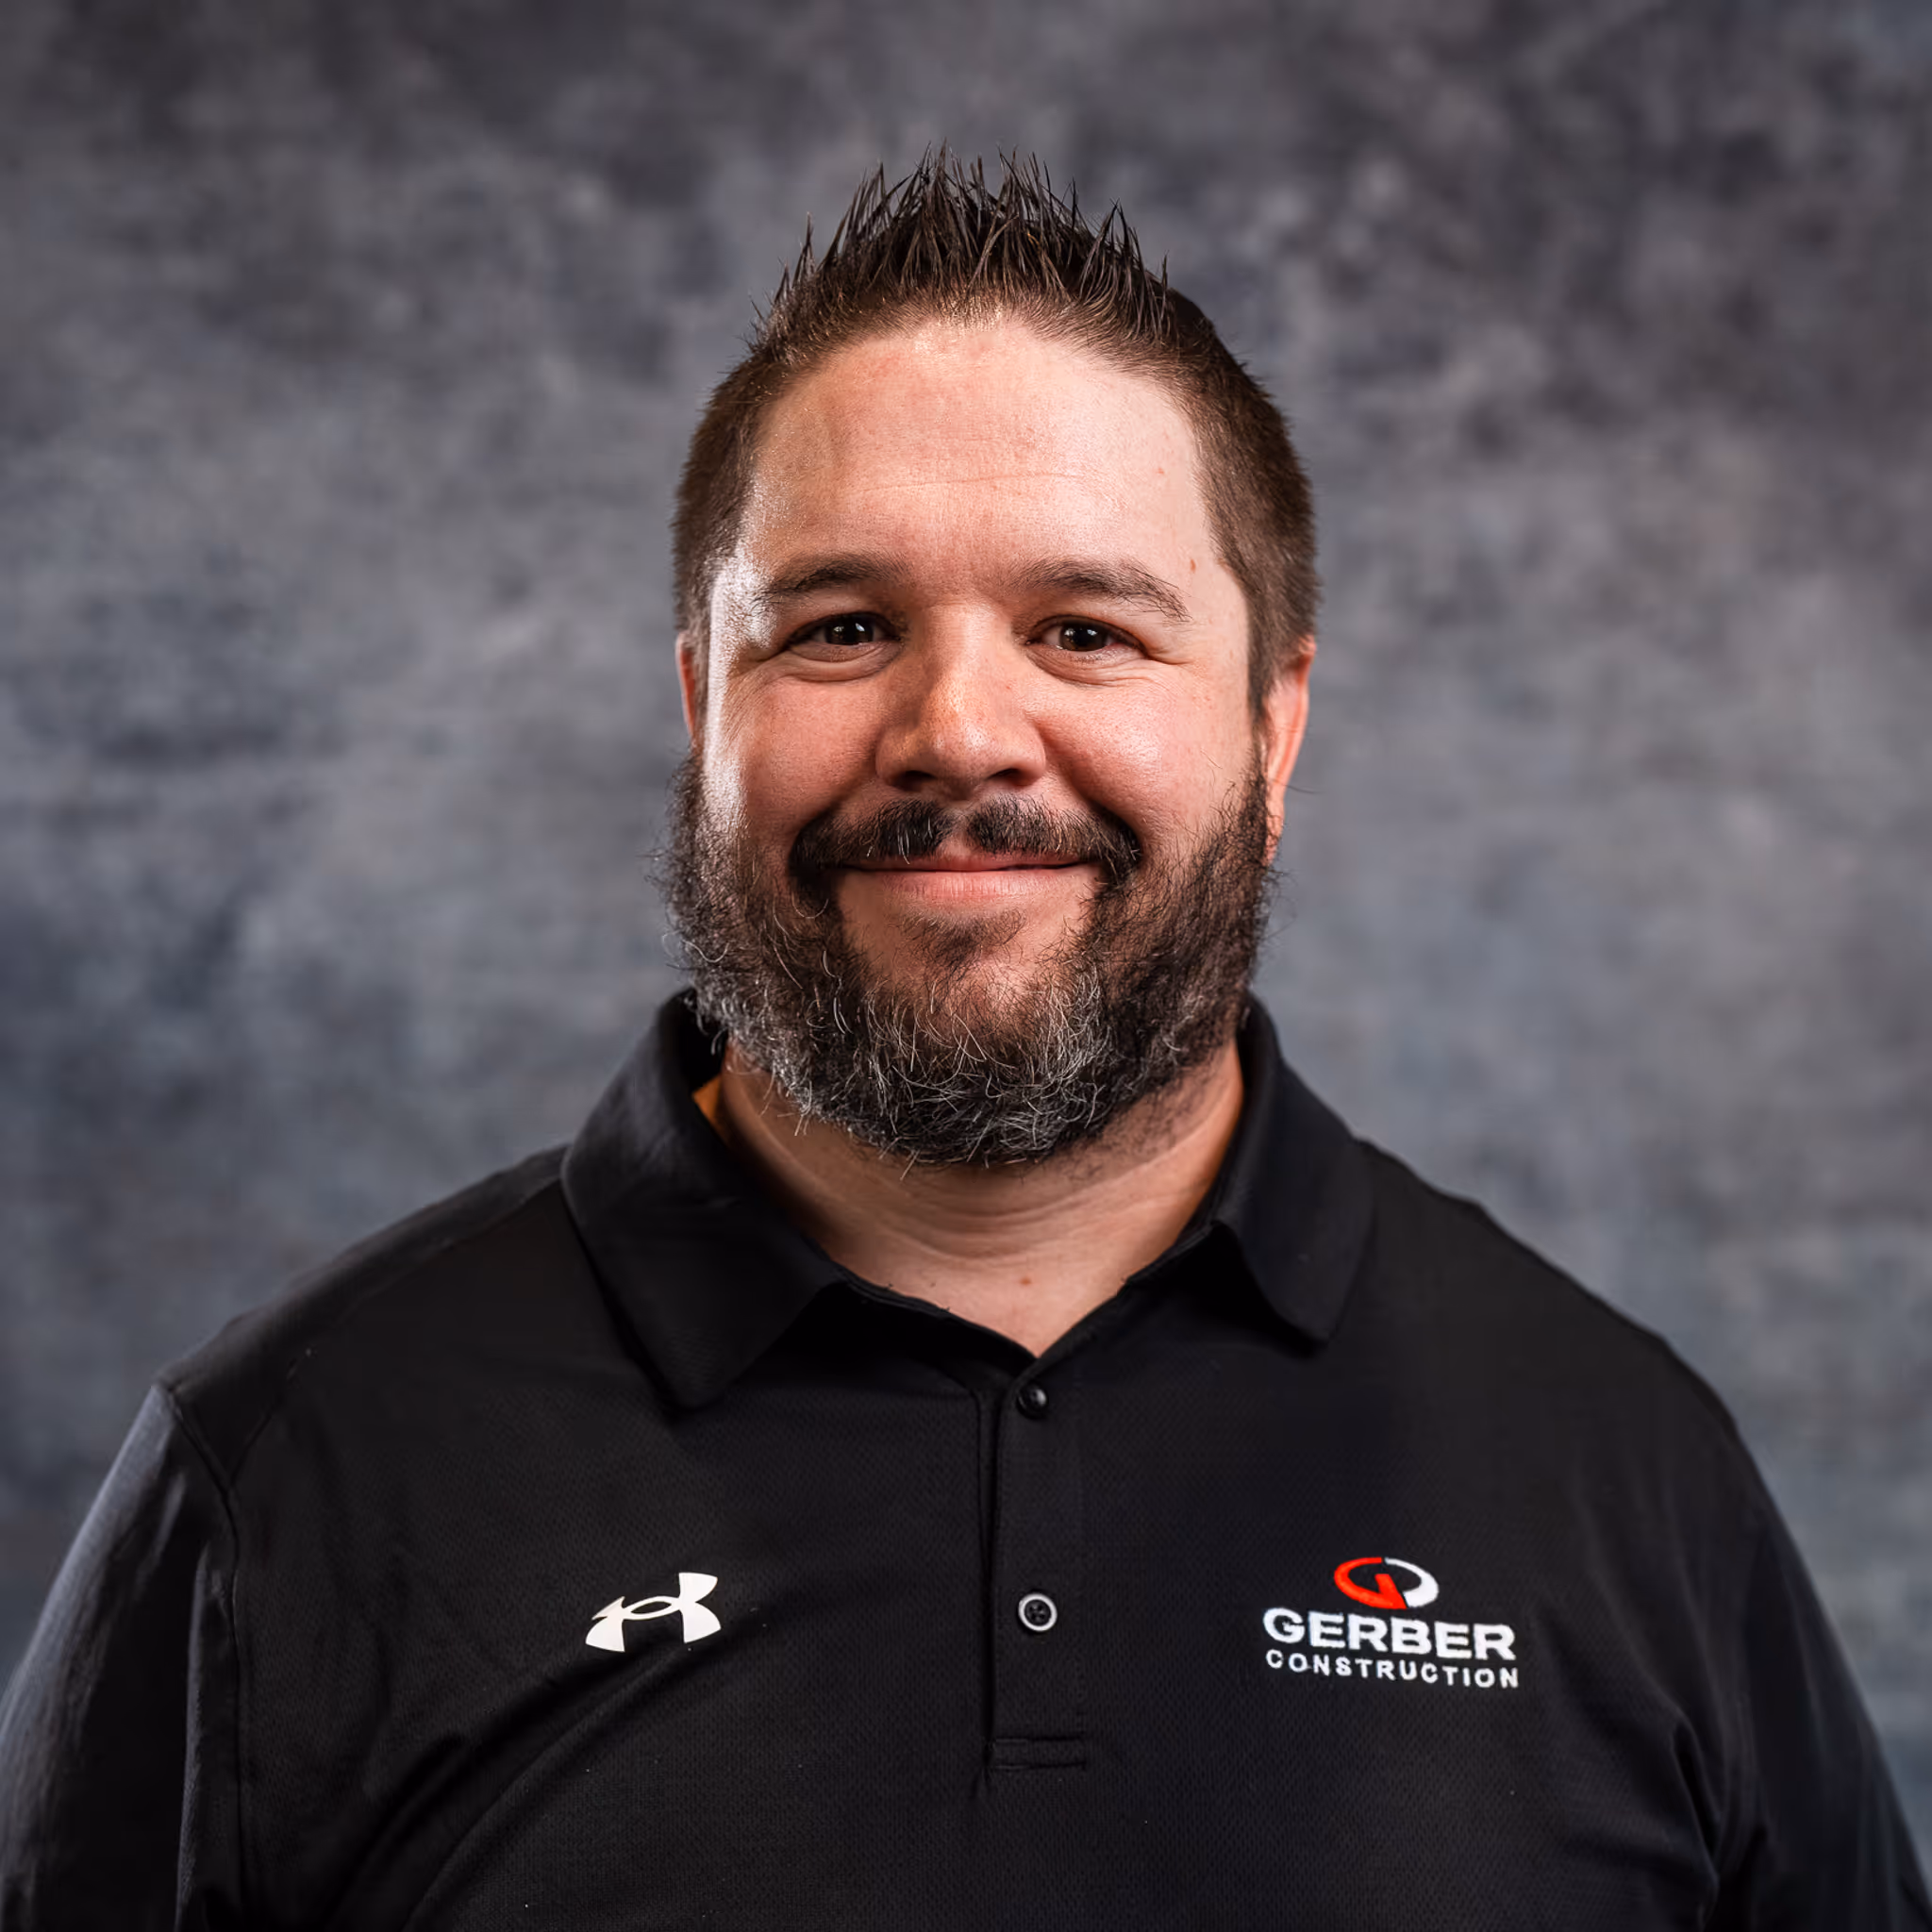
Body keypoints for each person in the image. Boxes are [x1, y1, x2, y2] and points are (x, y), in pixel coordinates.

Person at [1, 154, 1924, 1931]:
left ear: (1271, 730)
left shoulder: (1618, 1465)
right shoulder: (288, 1474)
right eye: (837, 627)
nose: (962, 735)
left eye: (1086, 629)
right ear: (703, 709)